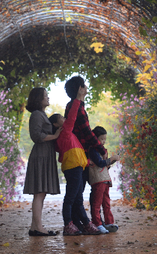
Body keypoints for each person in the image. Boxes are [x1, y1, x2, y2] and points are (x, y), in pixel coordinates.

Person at [49, 85, 101, 236]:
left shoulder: (66, 135)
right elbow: (72, 117)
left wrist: (86, 162)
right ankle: (69, 224)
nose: (65, 120)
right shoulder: (65, 133)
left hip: (76, 166)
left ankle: (85, 224)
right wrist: (78, 99)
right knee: (72, 197)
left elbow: (76, 149)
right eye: (61, 119)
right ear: (56, 125)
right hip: (73, 168)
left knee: (77, 197)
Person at [63, 76, 108, 232]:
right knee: (76, 192)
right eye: (84, 85)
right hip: (78, 155)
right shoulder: (77, 107)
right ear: (80, 89)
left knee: (77, 191)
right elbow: (87, 133)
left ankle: (77, 223)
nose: (86, 87)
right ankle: (77, 223)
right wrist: (102, 150)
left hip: (77, 155)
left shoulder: (73, 106)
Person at [23, 87, 62, 237]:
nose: (48, 98)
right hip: (40, 156)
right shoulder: (37, 115)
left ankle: (35, 227)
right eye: (45, 96)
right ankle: (38, 227)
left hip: (45, 155)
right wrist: (55, 135)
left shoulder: (41, 114)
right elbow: (36, 136)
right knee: (39, 193)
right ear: (38, 99)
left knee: (41, 193)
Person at [87, 126, 119, 233]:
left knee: (106, 202)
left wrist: (111, 161)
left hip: (105, 179)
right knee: (97, 202)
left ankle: (109, 222)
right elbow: (100, 163)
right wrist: (111, 159)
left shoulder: (102, 150)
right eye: (101, 139)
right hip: (97, 179)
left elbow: (106, 166)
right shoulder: (93, 150)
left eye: (105, 139)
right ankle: (97, 223)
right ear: (95, 138)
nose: (103, 141)